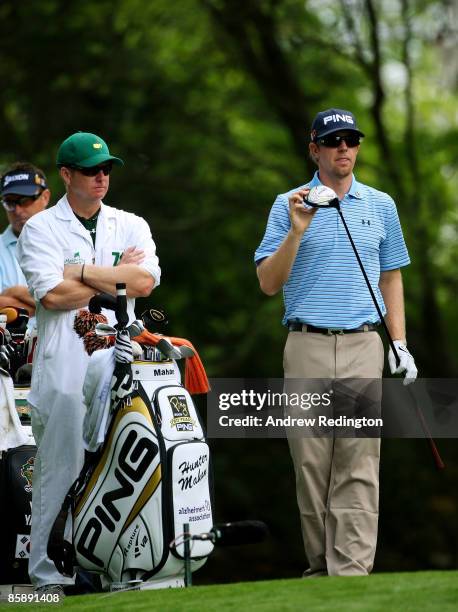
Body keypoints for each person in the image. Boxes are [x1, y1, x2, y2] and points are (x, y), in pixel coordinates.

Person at [254, 109, 417, 577]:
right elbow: (268, 282)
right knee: (311, 463)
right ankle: (321, 569)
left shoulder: (381, 204)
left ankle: (350, 573)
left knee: (359, 459)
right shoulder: (288, 203)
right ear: (315, 149)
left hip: (365, 344)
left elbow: (391, 277)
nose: (343, 148)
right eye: (333, 141)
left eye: (350, 140)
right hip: (307, 343)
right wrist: (297, 230)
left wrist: (399, 343)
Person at [17, 132, 161, 595]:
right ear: (65, 175)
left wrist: (77, 270)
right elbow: (52, 296)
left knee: (123, 462)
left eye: (106, 170)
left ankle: (111, 565)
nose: (101, 178)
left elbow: (144, 283)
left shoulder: (130, 222)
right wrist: (116, 276)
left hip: (119, 358)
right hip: (63, 363)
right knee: (60, 466)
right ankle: (46, 576)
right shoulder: (41, 228)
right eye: (90, 171)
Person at [0, 163, 50, 313]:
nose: (18, 210)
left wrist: (16, 292)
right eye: (10, 202)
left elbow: (81, 304)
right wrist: (51, 303)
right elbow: (65, 303)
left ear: (45, 197)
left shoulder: (71, 240)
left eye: (25, 200)